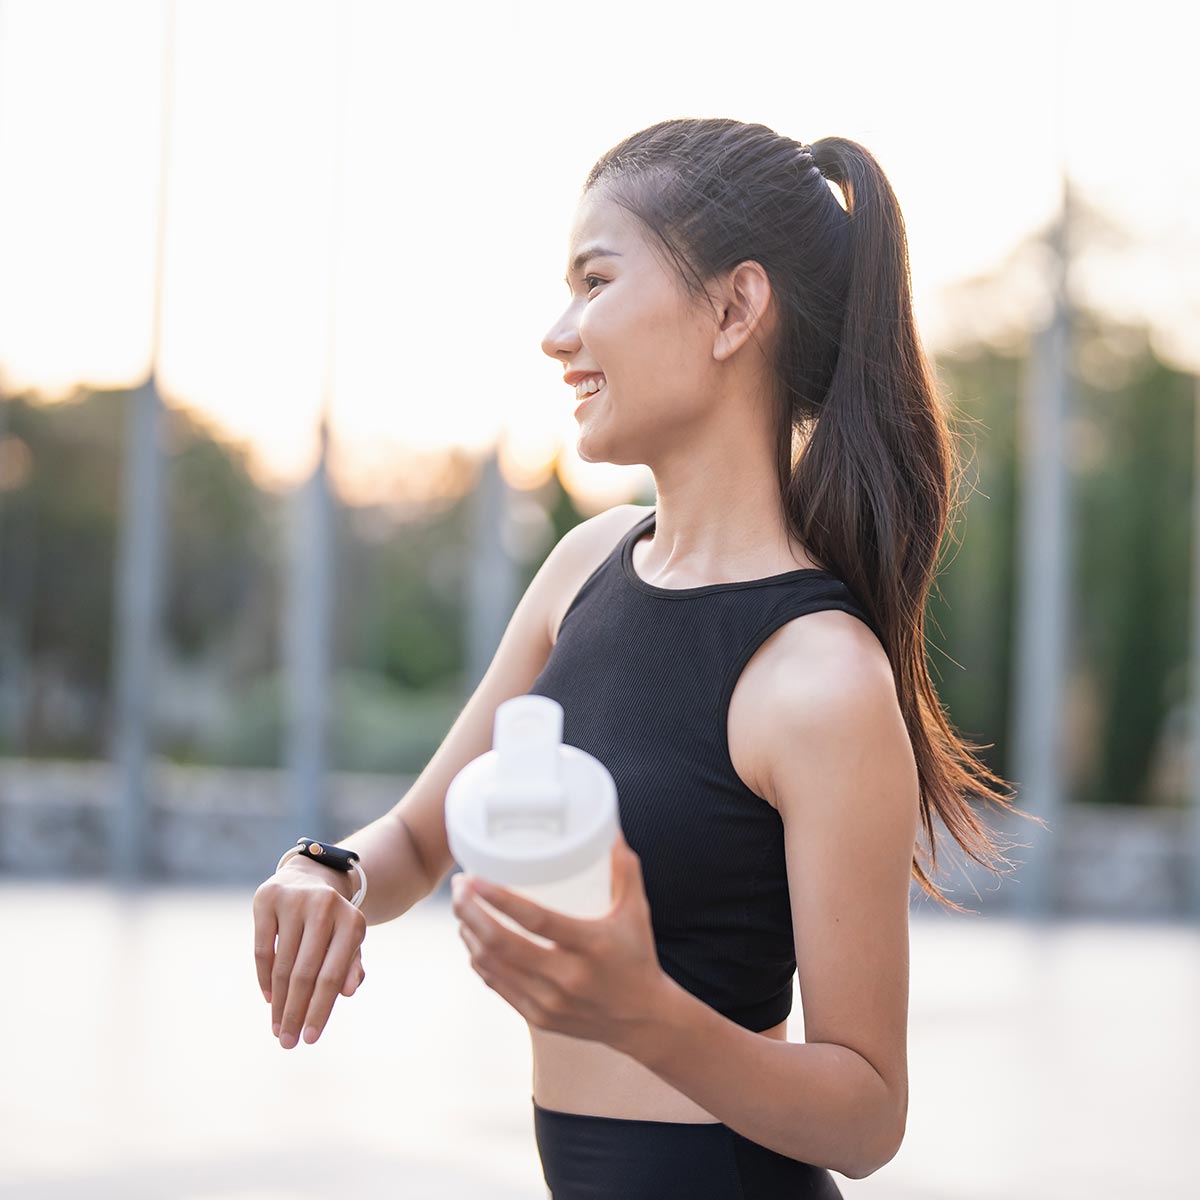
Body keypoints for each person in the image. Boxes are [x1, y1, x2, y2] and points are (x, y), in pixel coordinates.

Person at [252, 117, 1040, 1199]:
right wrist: (324, 871)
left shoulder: (822, 677)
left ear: (733, 310)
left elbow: (866, 1115)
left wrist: (646, 1015)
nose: (557, 333)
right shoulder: (585, 567)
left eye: (595, 281)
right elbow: (420, 838)